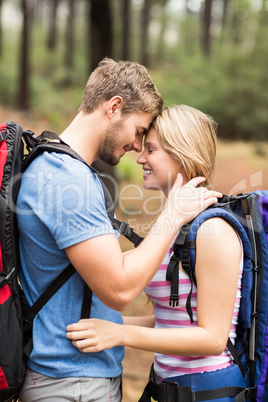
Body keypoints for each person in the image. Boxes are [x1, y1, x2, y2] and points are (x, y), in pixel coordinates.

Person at [17, 61, 221, 402]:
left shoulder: (52, 164)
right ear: (114, 107)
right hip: (74, 381)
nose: (138, 147)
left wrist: (117, 330)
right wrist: (171, 216)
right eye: (140, 131)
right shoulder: (69, 181)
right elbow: (120, 287)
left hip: (72, 375)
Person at [66, 105, 246, 402]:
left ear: (182, 154)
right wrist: (109, 326)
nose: (140, 158)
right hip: (172, 389)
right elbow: (170, 321)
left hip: (212, 391)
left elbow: (213, 338)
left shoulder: (214, 230)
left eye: (151, 149)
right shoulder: (173, 225)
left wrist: (119, 335)